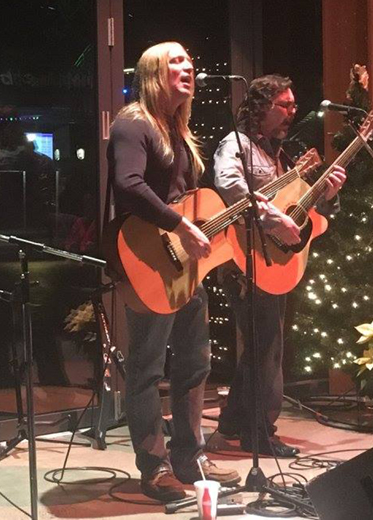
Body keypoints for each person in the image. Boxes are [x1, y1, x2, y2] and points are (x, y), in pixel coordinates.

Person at [107, 42, 240, 502]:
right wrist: (181, 226)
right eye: (176, 61)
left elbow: (185, 197)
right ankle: (154, 467)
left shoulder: (177, 130)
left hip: (185, 270)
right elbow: (128, 184)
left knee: (195, 363)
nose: (188, 66)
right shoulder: (133, 122)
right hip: (148, 260)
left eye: (189, 60)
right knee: (146, 368)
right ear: (153, 73)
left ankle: (190, 458)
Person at [212, 74, 346, 457]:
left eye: (293, 105)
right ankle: (259, 434)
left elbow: (301, 207)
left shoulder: (280, 155)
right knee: (266, 347)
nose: (292, 112)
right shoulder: (235, 145)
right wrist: (272, 219)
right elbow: (229, 185)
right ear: (261, 106)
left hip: (273, 263)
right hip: (244, 262)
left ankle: (234, 423)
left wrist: (328, 194)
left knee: (262, 346)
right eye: (284, 105)